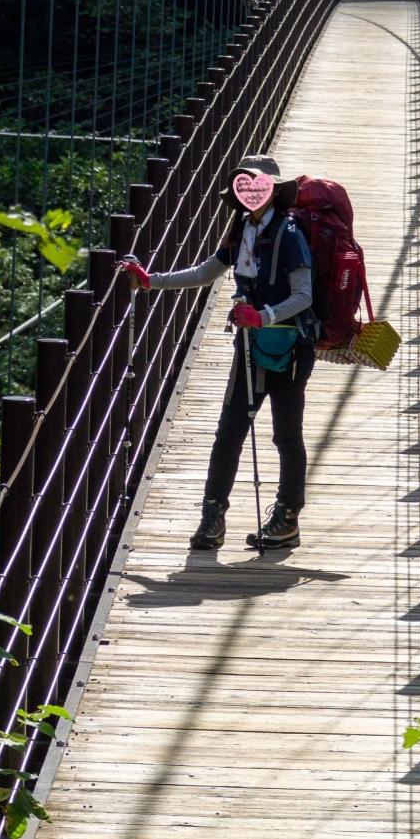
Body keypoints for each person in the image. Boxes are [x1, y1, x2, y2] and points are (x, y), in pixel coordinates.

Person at [121, 153, 317, 550]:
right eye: (245, 187)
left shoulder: (290, 234)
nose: (251, 194)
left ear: (273, 191)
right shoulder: (243, 229)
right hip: (250, 345)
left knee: (286, 434)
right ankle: (212, 518)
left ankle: (287, 518)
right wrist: (150, 281)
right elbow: (205, 272)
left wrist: (262, 316)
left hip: (291, 348)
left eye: (258, 186)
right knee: (228, 433)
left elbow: (304, 295)